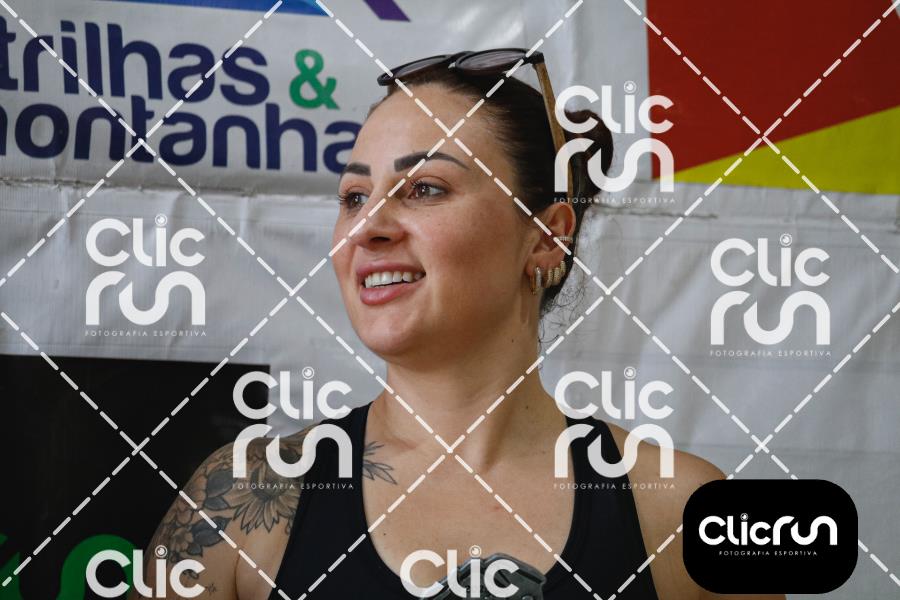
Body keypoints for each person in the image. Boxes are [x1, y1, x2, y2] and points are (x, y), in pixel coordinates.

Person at [134, 49, 785, 600]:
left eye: (425, 189)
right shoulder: (241, 499)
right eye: (354, 197)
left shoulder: (681, 511)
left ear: (546, 238)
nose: (368, 227)